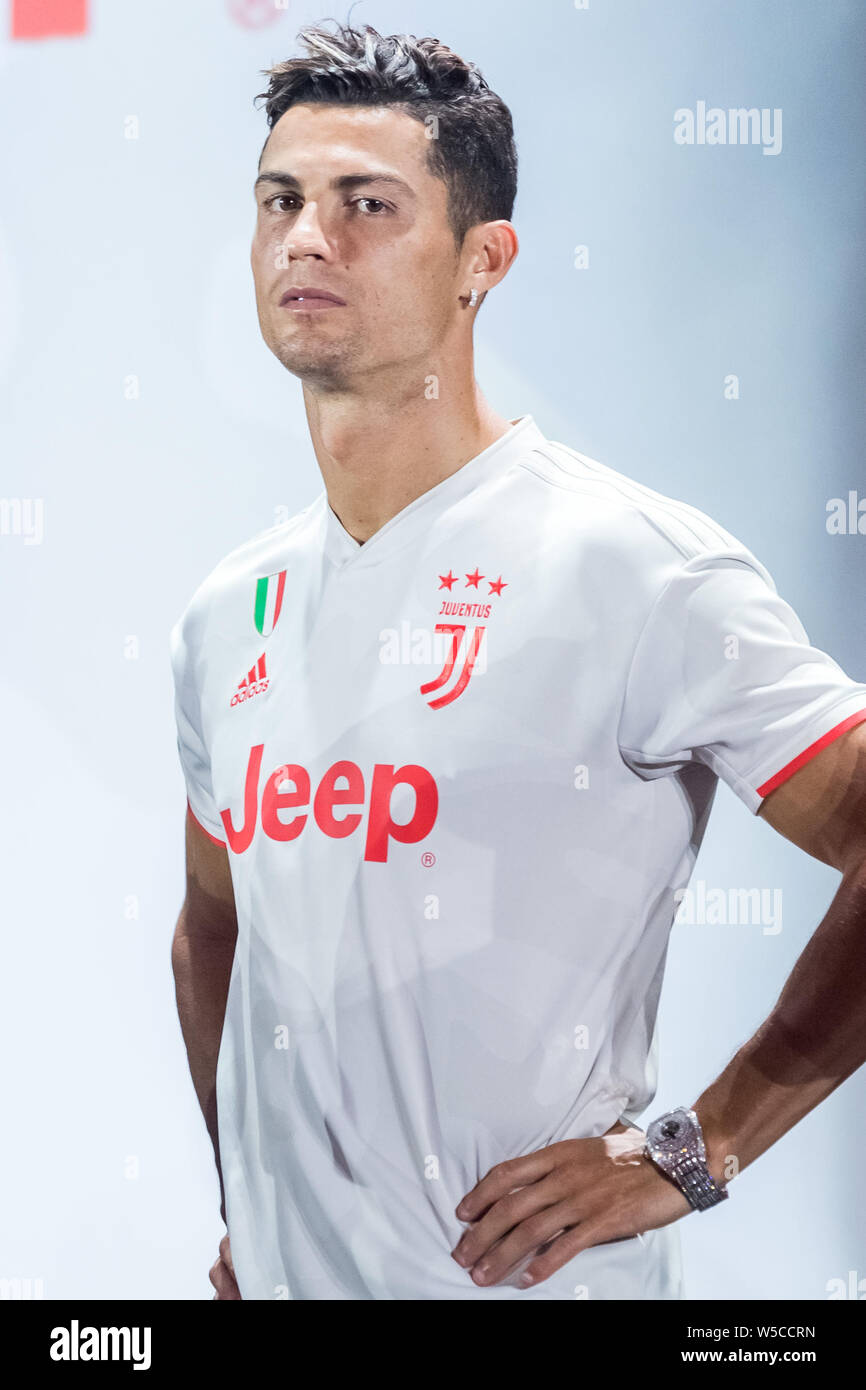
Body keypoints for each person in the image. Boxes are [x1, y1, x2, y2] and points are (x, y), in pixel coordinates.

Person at [169, 21, 866, 1300]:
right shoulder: (229, 611)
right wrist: (252, 1206)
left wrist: (705, 1141)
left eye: (365, 204)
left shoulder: (632, 567)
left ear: (481, 260)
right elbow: (214, 927)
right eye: (281, 200)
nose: (305, 238)